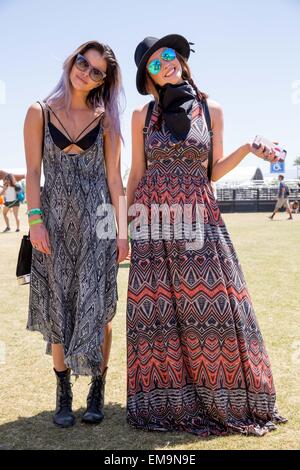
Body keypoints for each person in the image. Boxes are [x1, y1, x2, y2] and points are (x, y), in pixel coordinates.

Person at [125, 34, 287, 436]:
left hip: (199, 216)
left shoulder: (210, 108)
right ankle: (168, 401)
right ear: (148, 76)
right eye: (155, 62)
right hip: (152, 221)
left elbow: (212, 171)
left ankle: (224, 397)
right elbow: (136, 173)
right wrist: (124, 230)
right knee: (159, 315)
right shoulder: (143, 115)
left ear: (179, 58)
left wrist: (248, 148)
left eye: (169, 55)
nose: (166, 63)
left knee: (211, 307)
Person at [24, 40, 128, 428]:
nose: (86, 71)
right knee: (58, 310)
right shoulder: (39, 112)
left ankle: (97, 390)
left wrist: (121, 233)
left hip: (97, 227)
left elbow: (115, 179)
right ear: (73, 60)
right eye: (84, 62)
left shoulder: (107, 122)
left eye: (97, 71)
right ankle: (63, 392)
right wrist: (35, 220)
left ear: (104, 80)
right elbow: (33, 172)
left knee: (98, 310)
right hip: (53, 226)